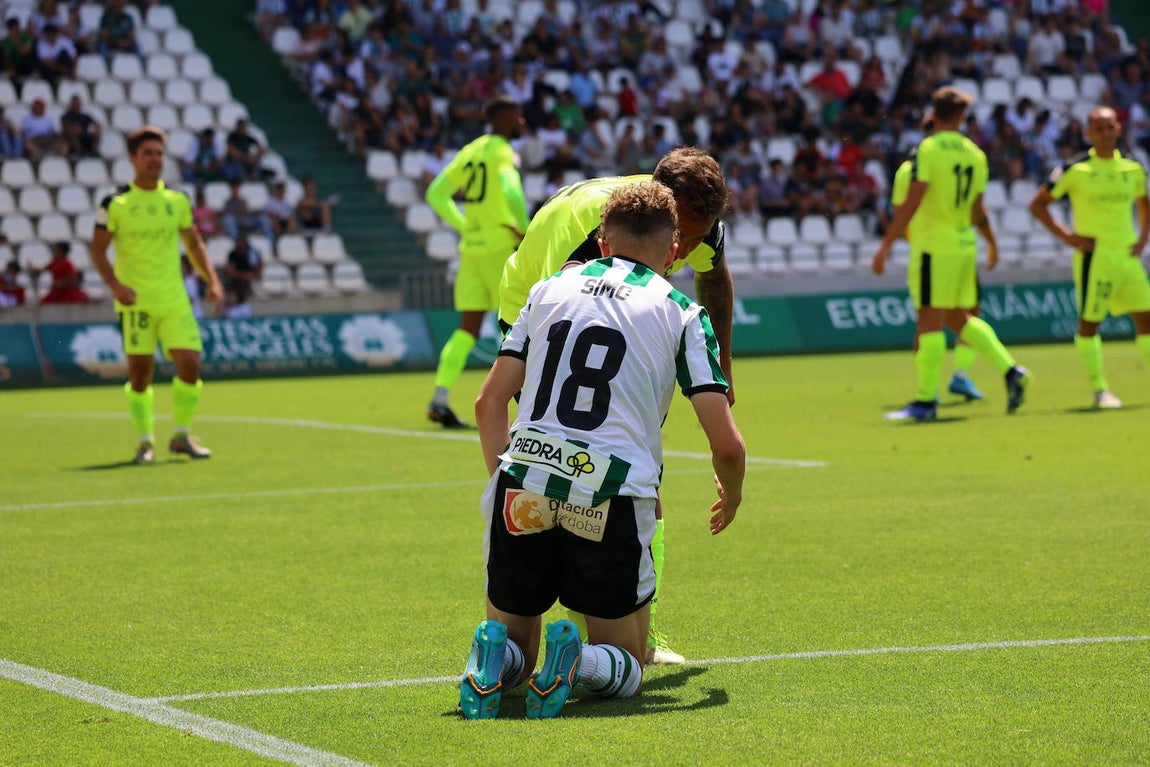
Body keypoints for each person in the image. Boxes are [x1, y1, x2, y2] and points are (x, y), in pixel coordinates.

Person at [463, 181, 745, 720]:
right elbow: (727, 447)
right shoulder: (680, 311)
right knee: (629, 660)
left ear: (603, 241)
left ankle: (496, 662)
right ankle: (582, 663)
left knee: (517, 634)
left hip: (523, 482)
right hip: (608, 493)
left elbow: (488, 403)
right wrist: (731, 496)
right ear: (671, 251)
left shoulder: (545, 291)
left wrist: (506, 478)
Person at [872, 86, 1030, 421]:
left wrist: (886, 244)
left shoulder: (927, 150)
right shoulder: (975, 153)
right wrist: (992, 241)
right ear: (961, 116)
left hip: (934, 245)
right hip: (963, 245)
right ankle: (1011, 370)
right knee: (959, 319)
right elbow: (977, 207)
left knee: (929, 318)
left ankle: (925, 402)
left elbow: (913, 200)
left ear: (934, 112)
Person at [90, 125, 223, 464]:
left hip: (174, 297)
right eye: (148, 153)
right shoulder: (115, 203)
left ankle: (181, 436)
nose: (155, 160)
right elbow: (98, 250)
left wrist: (212, 280)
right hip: (136, 301)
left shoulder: (177, 201)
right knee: (139, 374)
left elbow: (193, 243)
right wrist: (116, 287)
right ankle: (145, 441)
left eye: (159, 154)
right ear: (133, 158)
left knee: (191, 362)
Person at [1028, 106, 1150, 410]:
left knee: (1147, 321)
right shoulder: (1075, 169)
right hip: (1095, 258)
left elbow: (1144, 202)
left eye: (1110, 127)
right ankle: (1099, 389)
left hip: (1127, 257)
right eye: (1099, 128)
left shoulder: (1132, 168)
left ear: (1119, 129)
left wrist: (1143, 238)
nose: (1106, 133)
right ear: (1088, 133)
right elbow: (1038, 205)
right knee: (1089, 324)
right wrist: (1069, 237)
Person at [423, 95, 528, 428]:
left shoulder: (470, 151)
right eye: (517, 116)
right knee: (514, 325)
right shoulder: (501, 150)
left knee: (466, 329)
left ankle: (440, 396)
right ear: (504, 119)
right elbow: (510, 188)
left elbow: (436, 193)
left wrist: (464, 224)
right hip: (499, 247)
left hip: (472, 249)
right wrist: (524, 228)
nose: (522, 122)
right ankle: (525, 405)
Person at [887, 113, 991, 403]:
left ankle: (958, 376)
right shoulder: (915, 168)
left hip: (950, 247)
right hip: (940, 247)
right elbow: (904, 213)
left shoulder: (937, 161)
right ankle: (928, 388)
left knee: (962, 313)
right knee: (933, 318)